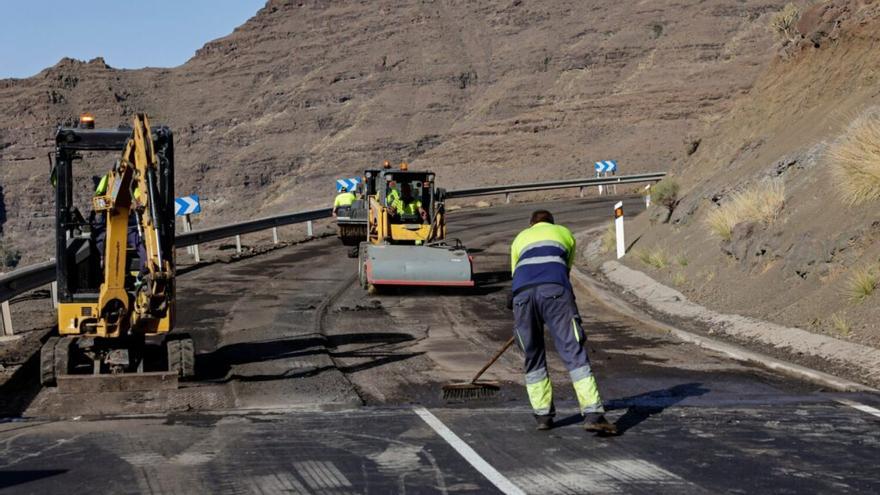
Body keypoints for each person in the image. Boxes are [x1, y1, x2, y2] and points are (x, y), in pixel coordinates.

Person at [509, 209, 616, 434]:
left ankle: (542, 416)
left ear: (531, 225)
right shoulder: (564, 233)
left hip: (522, 298)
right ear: (552, 223)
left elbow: (516, 275)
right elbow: (564, 271)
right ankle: (593, 413)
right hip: (554, 293)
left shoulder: (519, 238)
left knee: (532, 355)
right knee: (572, 350)